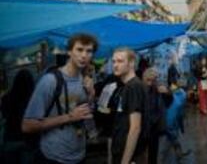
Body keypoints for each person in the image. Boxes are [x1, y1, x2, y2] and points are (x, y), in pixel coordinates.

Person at [22, 33, 98, 164]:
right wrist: (69, 117)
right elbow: (27, 126)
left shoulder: (85, 80)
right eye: (79, 49)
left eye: (89, 51)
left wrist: (91, 95)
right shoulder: (50, 81)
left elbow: (86, 112)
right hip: (53, 156)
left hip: (79, 154)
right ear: (69, 51)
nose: (84, 55)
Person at [111, 48, 149, 164]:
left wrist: (125, 161)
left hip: (131, 157)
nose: (115, 65)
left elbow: (135, 128)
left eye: (120, 61)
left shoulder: (133, 87)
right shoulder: (126, 86)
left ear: (131, 63)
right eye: (114, 61)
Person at [1, 69, 35, 163]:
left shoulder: (6, 98)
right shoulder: (33, 99)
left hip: (10, 139)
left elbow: (4, 116)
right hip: (27, 141)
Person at [142, 67, 170, 164]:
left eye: (153, 80)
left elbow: (168, 102)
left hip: (154, 126)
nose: (150, 82)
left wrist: (167, 93)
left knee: (153, 154)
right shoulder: (140, 90)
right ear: (144, 78)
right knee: (142, 154)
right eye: (148, 80)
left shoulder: (158, 89)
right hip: (143, 126)